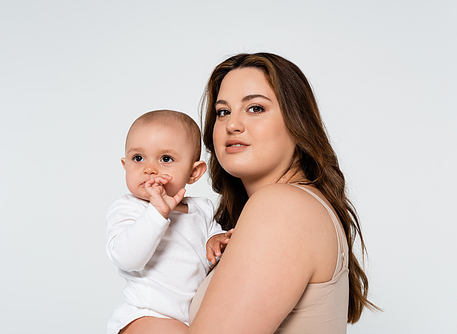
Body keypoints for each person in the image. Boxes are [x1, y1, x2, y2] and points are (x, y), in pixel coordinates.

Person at [186, 53, 378, 333]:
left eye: (255, 108)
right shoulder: (292, 205)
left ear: (296, 122)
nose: (232, 125)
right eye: (223, 111)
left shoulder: (283, 207)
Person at [106, 110, 232, 334]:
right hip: (146, 315)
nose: (149, 168)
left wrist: (216, 240)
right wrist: (156, 212)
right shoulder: (129, 208)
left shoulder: (201, 209)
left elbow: (213, 248)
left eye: (166, 159)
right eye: (138, 158)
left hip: (190, 318)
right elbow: (126, 259)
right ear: (125, 165)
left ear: (194, 172)